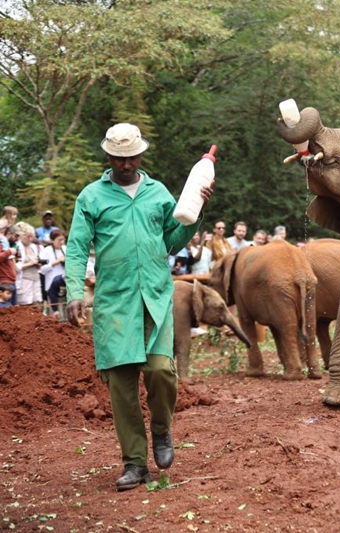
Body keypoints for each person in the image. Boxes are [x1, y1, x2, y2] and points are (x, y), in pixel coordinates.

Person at [65, 123, 214, 492]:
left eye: (131, 157)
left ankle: (161, 428)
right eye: (119, 157)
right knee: (121, 384)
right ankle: (135, 462)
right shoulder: (92, 197)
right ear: (109, 156)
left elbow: (171, 242)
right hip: (114, 302)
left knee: (162, 369)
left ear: (140, 155)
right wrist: (72, 292)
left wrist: (198, 214)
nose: (126, 163)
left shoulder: (157, 192)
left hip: (155, 296)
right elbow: (76, 248)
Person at [13, 222, 43, 307]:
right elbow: (16, 266)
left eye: (31, 237)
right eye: (28, 236)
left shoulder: (34, 247)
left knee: (37, 302)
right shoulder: (17, 247)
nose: (30, 239)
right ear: (22, 236)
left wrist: (38, 263)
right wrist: (30, 263)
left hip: (36, 277)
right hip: (24, 279)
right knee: (26, 303)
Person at [39, 229, 67, 320]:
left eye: (63, 240)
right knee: (55, 316)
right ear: (53, 240)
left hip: (65, 285)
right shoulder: (46, 251)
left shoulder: (65, 249)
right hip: (51, 286)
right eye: (59, 240)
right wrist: (56, 262)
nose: (62, 242)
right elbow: (42, 269)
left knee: (67, 316)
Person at [0, 228, 18, 305]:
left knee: (12, 309)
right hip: (4, 282)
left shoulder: (7, 244)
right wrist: (9, 251)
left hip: (11, 281)